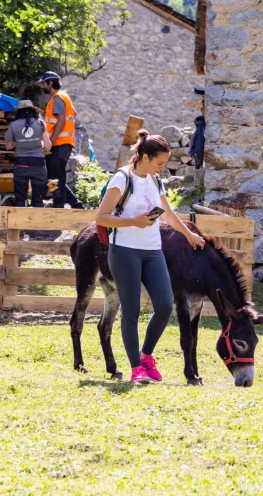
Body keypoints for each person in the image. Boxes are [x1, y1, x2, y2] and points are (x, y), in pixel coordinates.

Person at [95, 130, 205, 385]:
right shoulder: (122, 179)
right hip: (124, 250)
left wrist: (188, 234)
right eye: (159, 163)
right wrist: (135, 221)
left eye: (164, 163)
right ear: (144, 156)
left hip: (153, 251)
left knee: (166, 305)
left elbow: (166, 212)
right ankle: (136, 369)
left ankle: (146, 356)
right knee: (131, 311)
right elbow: (101, 217)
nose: (162, 168)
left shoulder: (156, 180)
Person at [39, 71, 85, 209]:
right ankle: (75, 204)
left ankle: (59, 206)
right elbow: (73, 114)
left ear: (50, 83)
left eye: (43, 83)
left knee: (56, 178)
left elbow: (61, 121)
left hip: (59, 143)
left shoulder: (57, 98)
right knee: (54, 176)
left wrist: (51, 141)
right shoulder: (64, 97)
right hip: (64, 143)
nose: (42, 86)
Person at [4, 100, 52, 207]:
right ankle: (35, 222)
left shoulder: (14, 125)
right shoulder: (40, 124)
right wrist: (38, 144)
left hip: (21, 163)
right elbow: (48, 146)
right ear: (33, 111)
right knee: (38, 198)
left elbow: (8, 146)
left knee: (20, 198)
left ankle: (19, 222)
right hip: (38, 164)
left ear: (19, 112)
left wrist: (19, 141)